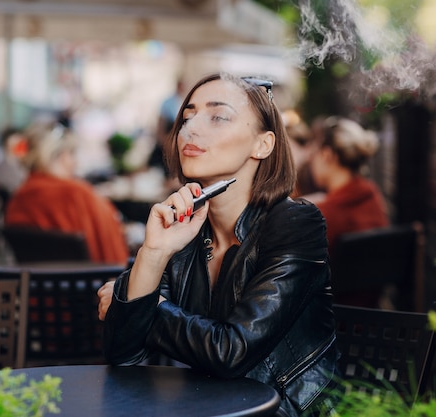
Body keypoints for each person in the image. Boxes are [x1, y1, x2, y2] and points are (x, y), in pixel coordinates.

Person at [98, 73, 340, 417]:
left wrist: (141, 302)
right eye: (187, 117)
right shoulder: (183, 228)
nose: (190, 129)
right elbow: (123, 357)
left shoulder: (294, 223)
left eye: (218, 116)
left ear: (263, 144)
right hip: (197, 408)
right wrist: (154, 253)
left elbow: (232, 352)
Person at [5, 123, 130, 266]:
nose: (75, 162)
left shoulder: (18, 198)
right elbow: (112, 253)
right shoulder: (79, 194)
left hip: (37, 285)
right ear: (62, 156)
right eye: (72, 154)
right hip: (88, 283)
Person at [308, 116, 389, 254]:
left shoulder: (321, 217)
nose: (311, 160)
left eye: (314, 153)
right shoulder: (373, 196)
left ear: (327, 155)